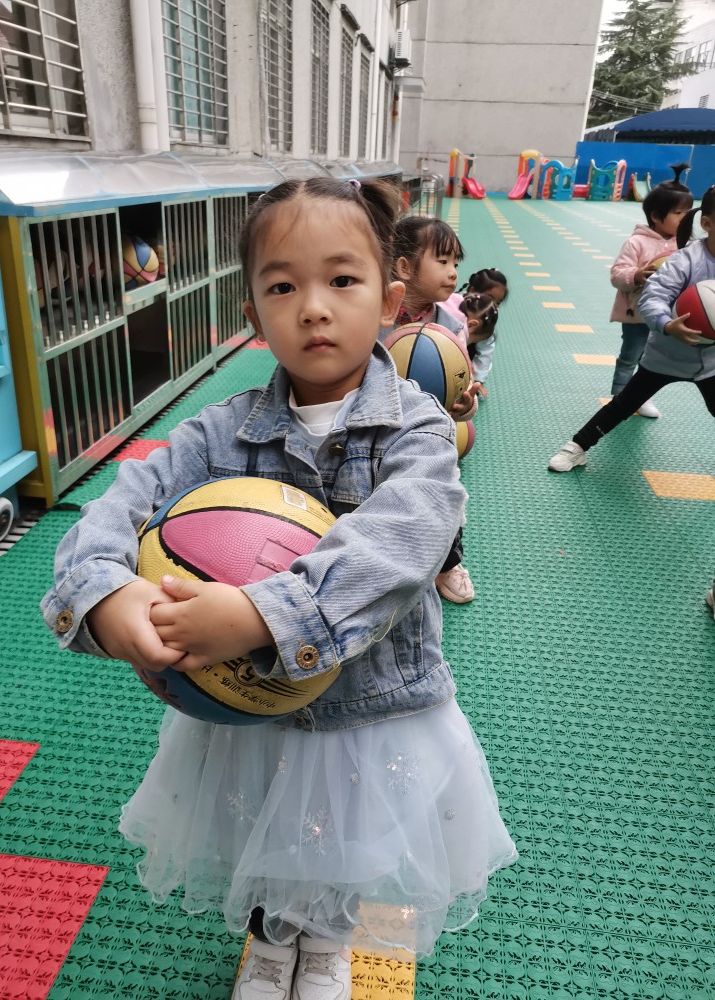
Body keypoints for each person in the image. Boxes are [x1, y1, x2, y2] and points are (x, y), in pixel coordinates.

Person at [41, 177, 517, 1000]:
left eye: (342, 279)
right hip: (249, 706)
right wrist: (102, 591)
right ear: (254, 317)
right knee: (259, 828)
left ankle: (326, 942)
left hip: (369, 707)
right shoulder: (218, 432)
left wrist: (265, 614)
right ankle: (269, 943)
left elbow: (406, 536)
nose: (314, 308)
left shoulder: (417, 427)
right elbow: (124, 498)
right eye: (284, 286)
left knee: (346, 840)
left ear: (390, 300)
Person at [548, 183, 715, 473]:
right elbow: (652, 298)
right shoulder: (685, 260)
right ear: (707, 224)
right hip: (667, 356)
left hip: (711, 363)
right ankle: (577, 447)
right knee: (624, 403)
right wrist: (667, 325)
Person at [388, 216, 479, 604]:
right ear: (404, 267)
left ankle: (448, 564)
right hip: (379, 427)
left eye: (455, 263)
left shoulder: (452, 327)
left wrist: (466, 405)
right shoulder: (372, 316)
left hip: (433, 433)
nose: (453, 272)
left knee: (445, 494)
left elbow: (463, 385)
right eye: (442, 261)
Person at [606, 164, 693, 419]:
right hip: (636, 316)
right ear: (656, 216)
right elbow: (617, 274)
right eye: (678, 213)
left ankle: (641, 398)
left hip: (666, 318)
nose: (685, 218)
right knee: (629, 357)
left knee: (651, 363)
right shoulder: (637, 242)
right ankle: (619, 399)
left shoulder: (686, 245)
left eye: (688, 212)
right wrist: (636, 275)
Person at [459, 288, 501, 399]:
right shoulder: (446, 324)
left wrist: (478, 380)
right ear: (471, 325)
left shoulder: (487, 333)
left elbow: (485, 356)